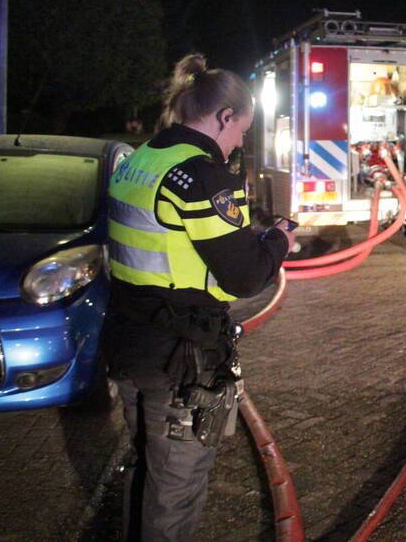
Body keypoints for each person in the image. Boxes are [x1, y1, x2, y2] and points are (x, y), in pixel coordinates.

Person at [104, 54, 295, 541]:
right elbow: (244, 278)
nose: (238, 144)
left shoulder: (138, 160)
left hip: (130, 342)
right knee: (175, 487)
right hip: (180, 357)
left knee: (144, 468)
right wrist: (278, 241)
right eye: (241, 131)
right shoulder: (203, 176)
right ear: (225, 117)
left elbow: (173, 243)